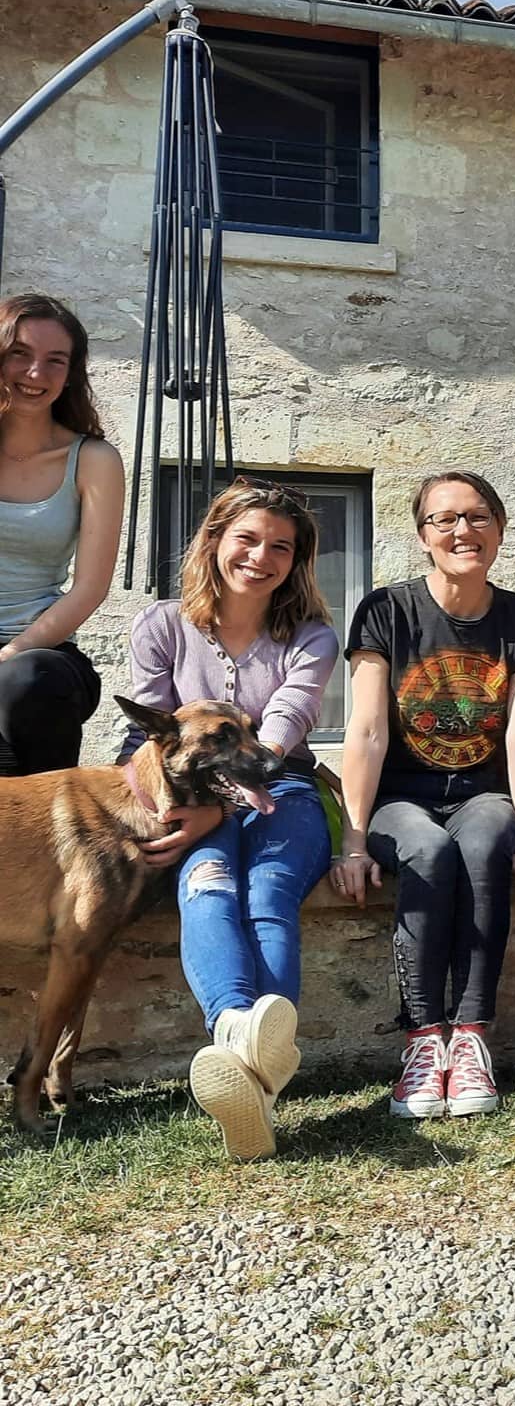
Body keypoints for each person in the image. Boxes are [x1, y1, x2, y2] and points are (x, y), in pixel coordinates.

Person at [124, 478, 338, 1160]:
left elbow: (282, 729)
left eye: (281, 546)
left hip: (285, 789)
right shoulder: (161, 625)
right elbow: (148, 737)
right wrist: (178, 811)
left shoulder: (310, 636)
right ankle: (242, 1042)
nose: (261, 556)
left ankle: (252, 1080)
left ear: (296, 560)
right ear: (214, 541)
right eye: (246, 538)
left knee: (268, 894)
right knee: (208, 887)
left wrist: (232, 792)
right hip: (188, 801)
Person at [335, 470, 515, 1120]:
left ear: (500, 529)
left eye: (478, 516)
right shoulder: (386, 611)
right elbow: (368, 729)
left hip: (481, 794)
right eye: (445, 519)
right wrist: (352, 840)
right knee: (428, 851)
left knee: (487, 842)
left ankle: (473, 1037)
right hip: (400, 799)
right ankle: (426, 1043)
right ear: (424, 535)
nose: (463, 530)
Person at [0, 293, 124, 775]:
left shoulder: (93, 461)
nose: (35, 374)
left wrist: (9, 654)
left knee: (23, 680)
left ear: (71, 373)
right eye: (20, 354)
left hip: (41, 659)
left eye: (55, 361)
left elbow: (90, 588)